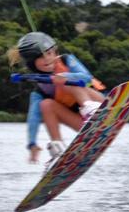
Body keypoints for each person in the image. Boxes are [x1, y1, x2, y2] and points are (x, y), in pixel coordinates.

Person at [7, 32, 106, 167]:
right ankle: (58, 147)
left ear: (55, 52)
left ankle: (90, 111)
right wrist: (32, 144)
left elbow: (87, 77)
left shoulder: (66, 60)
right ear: (32, 63)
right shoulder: (40, 90)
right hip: (82, 124)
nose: (47, 59)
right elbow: (33, 118)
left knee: (67, 81)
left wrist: (65, 76)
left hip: (100, 105)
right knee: (46, 104)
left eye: (49, 53)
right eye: (41, 57)